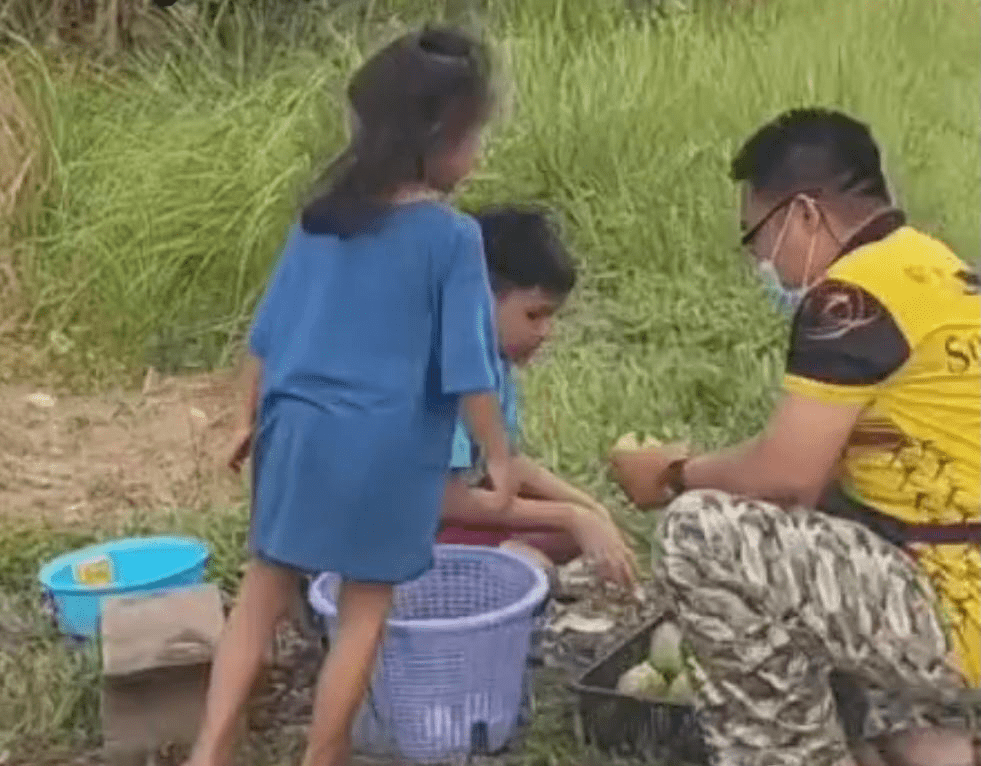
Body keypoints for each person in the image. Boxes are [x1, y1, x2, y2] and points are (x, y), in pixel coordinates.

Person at [184, 27, 517, 766]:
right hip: (384, 448)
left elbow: (265, 337)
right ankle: (322, 755)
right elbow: (469, 369)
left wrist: (244, 420)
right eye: (475, 136)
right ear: (436, 137)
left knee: (260, 591)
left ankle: (209, 749)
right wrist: (499, 457)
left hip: (293, 431)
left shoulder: (319, 219)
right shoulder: (450, 237)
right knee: (364, 610)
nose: (479, 154)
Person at [609, 108, 981, 766]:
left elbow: (785, 474)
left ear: (804, 216)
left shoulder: (850, 299)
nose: (761, 263)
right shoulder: (939, 270)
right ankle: (929, 741)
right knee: (839, 515)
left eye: (756, 237)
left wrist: (670, 475)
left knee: (702, 533)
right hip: (953, 577)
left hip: (951, 609)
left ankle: (789, 754)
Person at [436, 205, 637, 588]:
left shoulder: (493, 364)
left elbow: (507, 463)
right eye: (534, 315)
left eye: (551, 317)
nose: (546, 331)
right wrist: (569, 517)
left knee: (583, 539)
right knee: (530, 570)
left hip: (445, 519)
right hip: (397, 535)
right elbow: (444, 499)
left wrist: (591, 511)